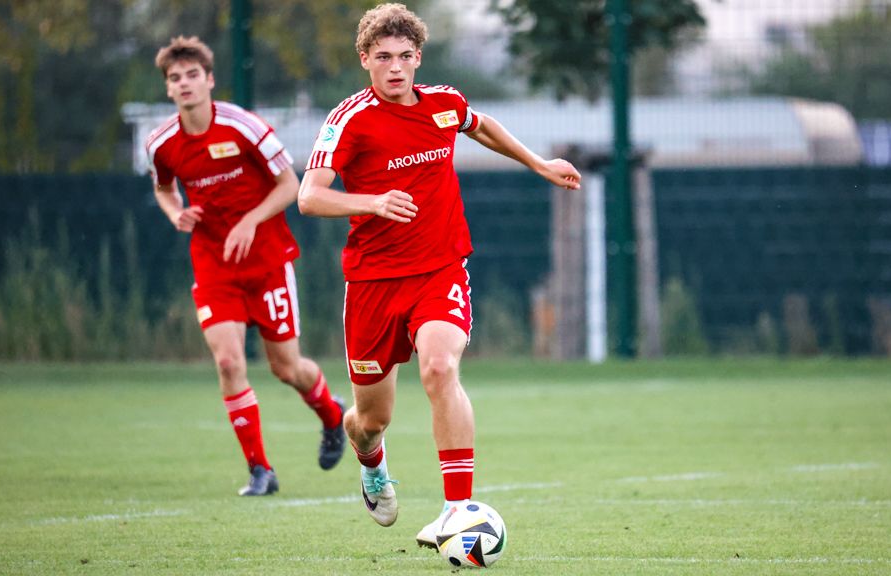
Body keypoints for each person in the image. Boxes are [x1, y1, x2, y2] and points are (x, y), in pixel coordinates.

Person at [297, 3, 581, 547]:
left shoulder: (444, 104)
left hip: (440, 269)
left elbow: (483, 126)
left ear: (418, 57)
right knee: (370, 419)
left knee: (439, 367)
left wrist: (537, 162)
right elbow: (309, 197)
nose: (396, 67)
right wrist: (373, 201)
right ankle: (372, 464)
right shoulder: (350, 120)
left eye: (405, 56)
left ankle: (457, 510)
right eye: (383, 57)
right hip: (373, 283)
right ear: (365, 60)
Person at [145, 36, 346, 497]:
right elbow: (163, 188)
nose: (185, 84)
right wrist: (177, 213)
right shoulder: (162, 144)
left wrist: (250, 222)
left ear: (210, 80)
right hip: (214, 266)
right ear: (169, 90)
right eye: (175, 79)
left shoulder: (243, 126)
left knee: (287, 368)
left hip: (268, 262)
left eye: (193, 75)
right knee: (230, 361)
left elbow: (289, 185)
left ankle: (333, 416)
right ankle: (261, 470)